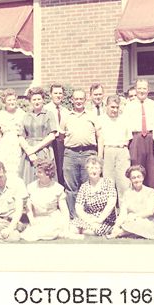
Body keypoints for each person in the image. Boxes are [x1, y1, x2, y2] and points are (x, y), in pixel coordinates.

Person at [123, 79, 154, 193]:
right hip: (136, 139)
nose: (141, 91)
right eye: (139, 88)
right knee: (136, 170)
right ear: (136, 89)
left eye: (144, 88)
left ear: (148, 90)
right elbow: (125, 126)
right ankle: (137, 200)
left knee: (152, 171)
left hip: (151, 138)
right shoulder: (129, 106)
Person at [60, 89, 101, 218]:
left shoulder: (92, 116)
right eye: (76, 99)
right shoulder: (66, 117)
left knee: (87, 186)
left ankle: (87, 216)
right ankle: (73, 217)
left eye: (81, 99)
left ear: (85, 100)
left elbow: (100, 136)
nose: (78, 101)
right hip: (71, 154)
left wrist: (99, 156)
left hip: (88, 153)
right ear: (72, 100)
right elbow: (61, 137)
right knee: (71, 187)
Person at [21, 159, 78, 241]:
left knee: (53, 230)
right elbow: (28, 209)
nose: (37, 174)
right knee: (32, 233)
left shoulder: (57, 188)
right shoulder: (31, 187)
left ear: (48, 173)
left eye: (40, 172)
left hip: (53, 219)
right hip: (38, 220)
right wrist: (32, 221)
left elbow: (64, 211)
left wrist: (66, 228)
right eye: (37, 172)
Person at [108, 165, 154, 239]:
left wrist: (135, 216)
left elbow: (150, 211)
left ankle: (121, 233)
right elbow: (123, 213)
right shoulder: (127, 193)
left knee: (141, 223)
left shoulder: (150, 192)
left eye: (138, 176)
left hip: (146, 221)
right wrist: (116, 226)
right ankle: (126, 232)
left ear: (143, 177)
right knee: (127, 222)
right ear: (130, 179)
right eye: (133, 178)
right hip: (130, 221)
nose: (136, 179)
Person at [19, 87, 57, 185]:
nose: (37, 101)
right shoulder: (26, 116)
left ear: (43, 100)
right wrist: (30, 152)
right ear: (30, 101)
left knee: (45, 177)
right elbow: (21, 136)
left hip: (44, 151)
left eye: (39, 99)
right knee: (29, 179)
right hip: (29, 154)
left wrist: (35, 149)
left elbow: (52, 136)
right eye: (34, 99)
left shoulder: (49, 114)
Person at [70, 156, 117, 236]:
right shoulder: (84, 186)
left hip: (105, 218)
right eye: (91, 168)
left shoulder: (108, 183)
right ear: (87, 170)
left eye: (96, 168)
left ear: (101, 170)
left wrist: (99, 220)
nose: (94, 171)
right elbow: (78, 207)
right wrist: (90, 220)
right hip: (89, 217)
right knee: (72, 229)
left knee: (88, 232)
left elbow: (111, 204)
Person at [99, 95, 131, 206]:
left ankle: (124, 212)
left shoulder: (124, 119)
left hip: (122, 151)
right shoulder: (101, 119)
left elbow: (128, 138)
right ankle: (110, 213)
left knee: (124, 183)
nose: (115, 110)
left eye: (117, 107)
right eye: (112, 107)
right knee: (108, 183)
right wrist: (100, 157)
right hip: (108, 151)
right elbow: (100, 139)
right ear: (106, 106)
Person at [44, 83, 70, 187]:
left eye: (60, 93)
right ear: (50, 94)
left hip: (63, 143)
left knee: (63, 170)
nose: (58, 95)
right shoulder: (45, 109)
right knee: (52, 169)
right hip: (50, 142)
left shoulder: (66, 111)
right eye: (55, 93)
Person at [0, 88, 25, 177]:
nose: (12, 102)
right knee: (5, 168)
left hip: (18, 144)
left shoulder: (22, 113)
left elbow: (25, 132)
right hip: (5, 144)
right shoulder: (0, 114)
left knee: (17, 169)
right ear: (4, 101)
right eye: (9, 100)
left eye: (14, 99)